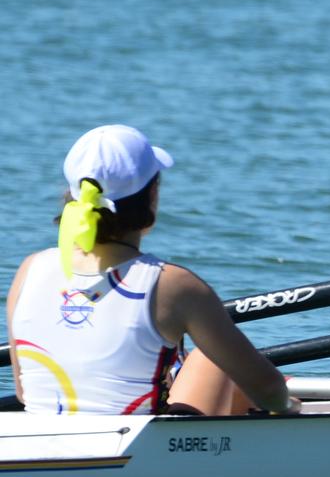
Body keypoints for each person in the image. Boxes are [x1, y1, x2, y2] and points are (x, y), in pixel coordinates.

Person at [7, 125, 298, 416]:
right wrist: (287, 407)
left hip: (39, 439)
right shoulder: (175, 285)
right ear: (153, 195)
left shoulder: (30, 269)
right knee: (210, 361)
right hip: (135, 451)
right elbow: (269, 390)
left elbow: (23, 391)